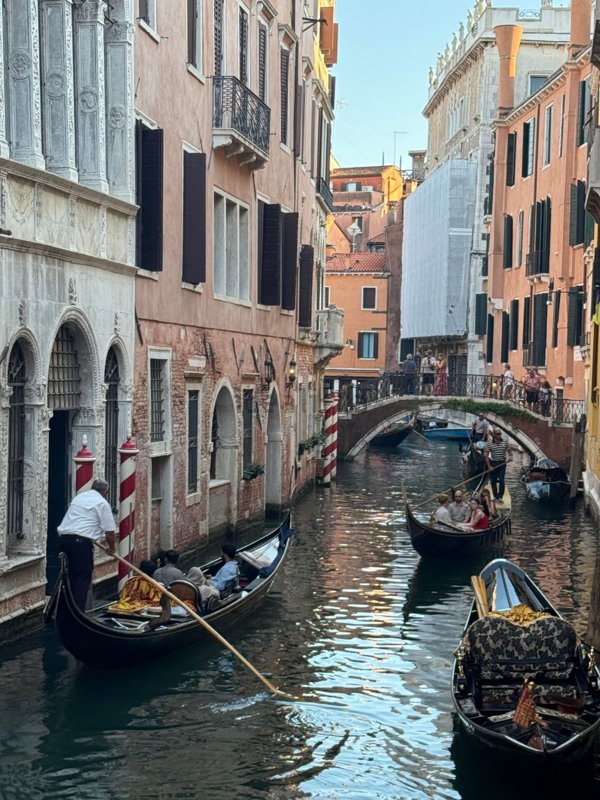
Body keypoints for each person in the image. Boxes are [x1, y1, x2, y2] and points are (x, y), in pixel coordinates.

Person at [57, 477, 116, 610]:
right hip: (81, 543)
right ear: (105, 491)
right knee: (83, 576)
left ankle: (65, 608)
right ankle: (78, 610)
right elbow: (110, 532)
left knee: (70, 574)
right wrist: (112, 548)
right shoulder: (102, 503)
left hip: (65, 540)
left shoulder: (79, 498)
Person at [484, 429, 511, 502]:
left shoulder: (505, 442)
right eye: (498, 434)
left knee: (502, 480)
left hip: (502, 463)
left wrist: (510, 456)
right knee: (493, 481)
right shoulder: (489, 443)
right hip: (493, 463)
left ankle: (500, 496)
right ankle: (495, 496)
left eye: (500, 434)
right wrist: (489, 467)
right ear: (494, 435)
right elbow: (486, 457)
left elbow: (509, 451)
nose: (499, 435)